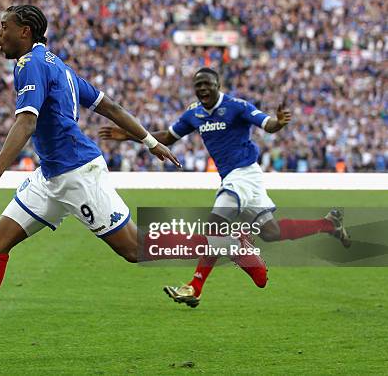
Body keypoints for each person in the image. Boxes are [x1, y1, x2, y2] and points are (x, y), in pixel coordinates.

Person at [0, 5, 226, 363]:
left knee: (134, 250)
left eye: (4, 28)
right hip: (50, 176)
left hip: (78, 175)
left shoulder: (29, 65)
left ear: (26, 31)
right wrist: (151, 142)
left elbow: (26, 123)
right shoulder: (60, 66)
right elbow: (111, 107)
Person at [99, 67, 350, 308]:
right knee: (270, 232)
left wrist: (279, 122)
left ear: (218, 85)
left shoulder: (236, 107)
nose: (202, 89)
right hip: (241, 178)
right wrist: (131, 135)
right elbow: (167, 137)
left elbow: (268, 124)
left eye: (207, 84)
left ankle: (195, 286)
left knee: (214, 227)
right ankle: (328, 224)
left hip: (242, 175)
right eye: (198, 85)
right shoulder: (193, 114)